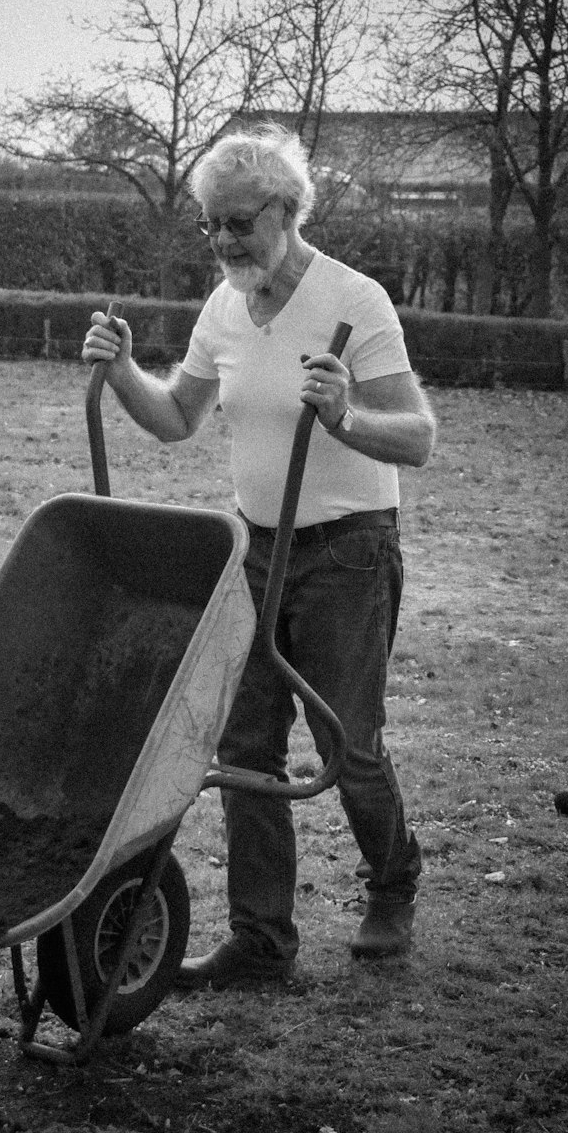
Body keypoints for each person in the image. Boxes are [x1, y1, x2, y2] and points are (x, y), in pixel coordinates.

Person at [81, 126, 436, 988]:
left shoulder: (357, 301)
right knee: (244, 749)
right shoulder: (224, 308)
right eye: (212, 225)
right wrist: (126, 372)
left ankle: (393, 884)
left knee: (346, 743)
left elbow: (419, 437)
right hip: (253, 549)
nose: (225, 241)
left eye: (240, 222)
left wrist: (347, 416)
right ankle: (263, 941)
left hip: (348, 551)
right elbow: (175, 418)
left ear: (287, 210)